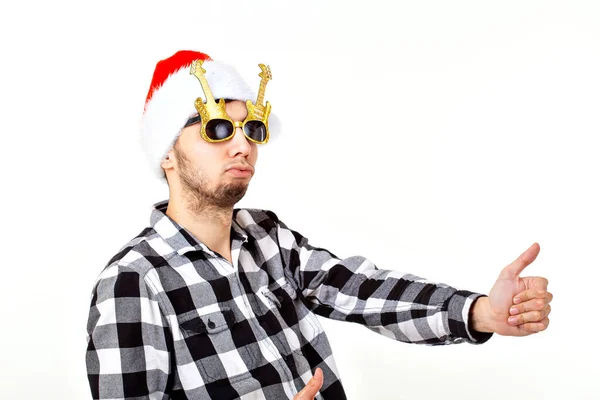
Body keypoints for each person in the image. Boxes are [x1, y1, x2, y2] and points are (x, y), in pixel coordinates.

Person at [85, 50, 553, 400]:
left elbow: (364, 291)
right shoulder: (133, 282)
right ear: (166, 152)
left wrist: (482, 312)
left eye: (252, 130)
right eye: (217, 130)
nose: (242, 146)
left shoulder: (268, 237)